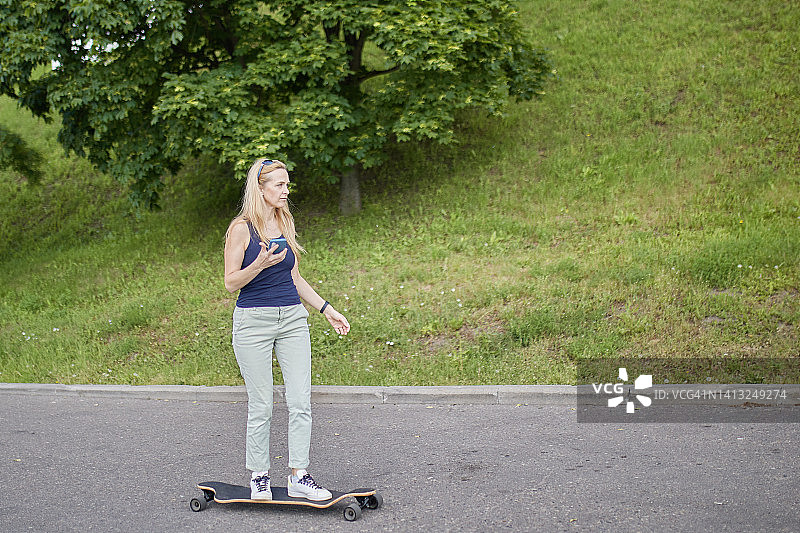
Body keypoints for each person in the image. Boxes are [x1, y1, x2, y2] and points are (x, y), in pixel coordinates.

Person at [223, 158, 350, 501]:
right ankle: (259, 476)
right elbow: (230, 282)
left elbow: (294, 277)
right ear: (260, 188)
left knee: (300, 401)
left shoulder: (284, 221)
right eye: (279, 184)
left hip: (292, 319)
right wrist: (258, 263)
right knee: (261, 404)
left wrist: (326, 309)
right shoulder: (241, 229)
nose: (285, 190)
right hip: (253, 322)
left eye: (287, 184)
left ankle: (299, 475)